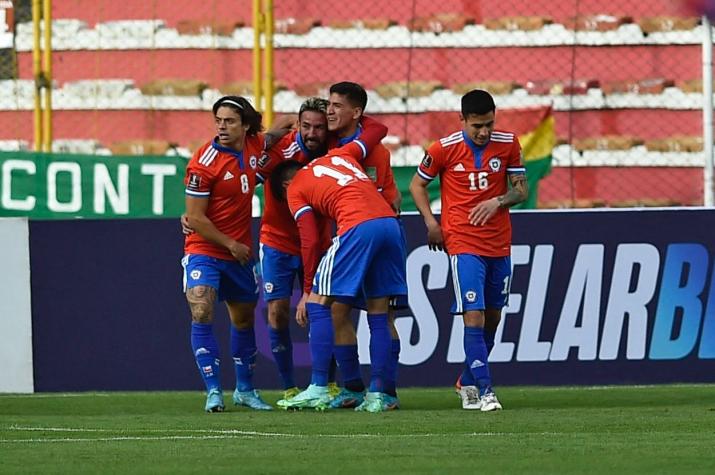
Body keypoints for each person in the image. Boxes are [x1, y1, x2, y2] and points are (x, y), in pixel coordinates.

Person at [409, 89, 528, 412]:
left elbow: (521, 190)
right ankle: (486, 391)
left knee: (493, 317)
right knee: (472, 315)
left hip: (499, 242)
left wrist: (498, 200)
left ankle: (466, 379)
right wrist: (431, 223)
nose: (484, 132)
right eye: (477, 125)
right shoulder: (443, 149)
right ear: (462, 120)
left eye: (489, 124)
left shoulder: (508, 144)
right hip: (462, 242)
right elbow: (417, 184)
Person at [271, 131, 407, 413]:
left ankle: (318, 387)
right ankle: (380, 394)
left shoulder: (295, 189)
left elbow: (309, 240)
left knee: (321, 303)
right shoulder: (341, 155)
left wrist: (308, 289)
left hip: (358, 226)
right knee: (379, 312)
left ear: (285, 186)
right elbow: (376, 129)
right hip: (391, 225)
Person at [182, 95, 274, 412]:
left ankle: (245, 390)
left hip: (238, 255)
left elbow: (279, 132)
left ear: (245, 125)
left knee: (243, 318)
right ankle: (213, 392)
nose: (222, 126)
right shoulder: (204, 163)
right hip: (206, 248)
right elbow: (194, 218)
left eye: (230, 121)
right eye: (218, 120)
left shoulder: (254, 146)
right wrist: (231, 244)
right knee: (201, 306)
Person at [322, 81, 404, 410]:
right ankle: (354, 386)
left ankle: (384, 391)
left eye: (337, 106)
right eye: (328, 104)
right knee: (336, 310)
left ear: (356, 113)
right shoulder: (330, 144)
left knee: (380, 313)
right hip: (349, 235)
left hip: (374, 231)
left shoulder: (372, 150)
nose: (330, 111)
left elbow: (385, 197)